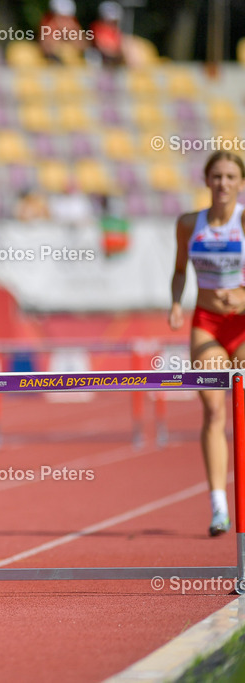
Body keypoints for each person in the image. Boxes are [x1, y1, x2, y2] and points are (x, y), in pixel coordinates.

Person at [169, 151, 245, 537]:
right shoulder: (188, 223)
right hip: (208, 323)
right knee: (214, 411)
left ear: (241, 182)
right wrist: (175, 304)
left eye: (231, 176)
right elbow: (180, 270)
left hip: (244, 324)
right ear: (206, 180)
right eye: (217, 176)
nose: (224, 184)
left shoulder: (244, 219)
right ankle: (219, 505)